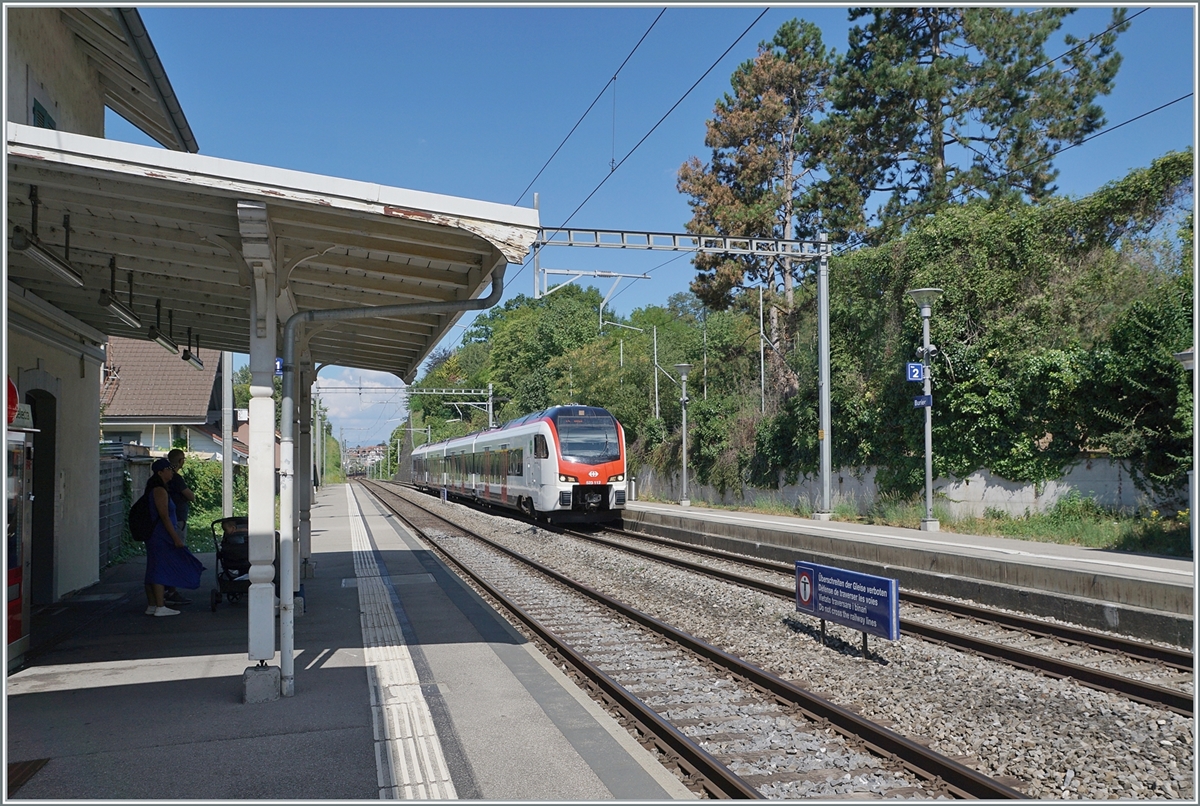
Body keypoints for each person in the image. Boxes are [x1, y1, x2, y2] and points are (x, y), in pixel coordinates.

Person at [143, 458, 205, 617]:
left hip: (156, 534)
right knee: (159, 568)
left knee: (153, 567)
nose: (172, 472)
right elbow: (164, 516)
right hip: (161, 534)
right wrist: (175, 538)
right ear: (160, 472)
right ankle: (160, 606)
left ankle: (152, 605)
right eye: (168, 469)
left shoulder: (157, 488)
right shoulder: (159, 490)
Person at [163, 449, 196, 606]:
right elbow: (190, 495)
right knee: (176, 552)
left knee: (168, 553)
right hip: (178, 519)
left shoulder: (164, 479)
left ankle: (166, 587)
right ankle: (171, 591)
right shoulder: (176, 478)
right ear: (180, 461)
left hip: (170, 520)